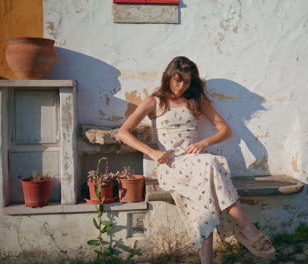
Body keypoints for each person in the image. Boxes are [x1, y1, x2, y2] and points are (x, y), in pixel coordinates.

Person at [117, 56, 275, 263]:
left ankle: (207, 260)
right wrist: (153, 153)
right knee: (211, 162)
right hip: (170, 165)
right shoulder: (154, 101)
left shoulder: (196, 101)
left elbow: (225, 131)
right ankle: (246, 227)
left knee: (206, 184)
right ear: (168, 77)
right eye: (178, 80)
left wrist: (203, 143)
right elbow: (123, 132)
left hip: (197, 165)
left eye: (187, 81)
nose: (182, 86)